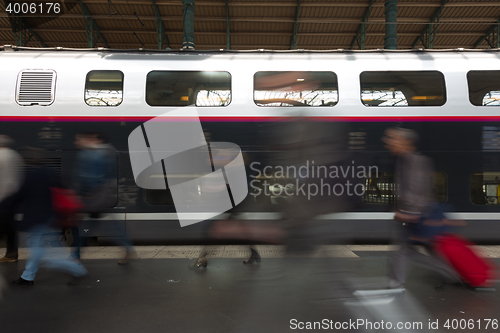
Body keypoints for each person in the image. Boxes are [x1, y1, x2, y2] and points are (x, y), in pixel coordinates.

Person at [383, 127, 461, 289]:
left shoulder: (416, 162)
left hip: (416, 216)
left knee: (407, 250)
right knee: (409, 250)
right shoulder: (403, 160)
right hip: (414, 215)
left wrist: (408, 214)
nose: (387, 141)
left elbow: (418, 191)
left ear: (407, 142)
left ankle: (396, 283)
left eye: (393, 138)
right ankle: (451, 275)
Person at [0, 148, 88, 286]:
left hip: (38, 218)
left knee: (43, 252)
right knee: (38, 248)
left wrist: (3, 206)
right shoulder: (50, 172)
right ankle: (27, 277)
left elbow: (18, 196)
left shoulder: (31, 175)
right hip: (50, 217)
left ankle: (77, 269)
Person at [71, 132, 135, 264]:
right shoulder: (110, 151)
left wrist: (80, 194)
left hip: (94, 198)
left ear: (90, 138)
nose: (76, 142)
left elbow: (88, 178)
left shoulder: (88, 154)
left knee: (84, 227)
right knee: (114, 226)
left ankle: (76, 255)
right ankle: (129, 249)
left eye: (79, 139)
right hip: (107, 197)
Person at [0, 135, 23, 263]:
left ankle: (11, 254)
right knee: (10, 228)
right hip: (13, 197)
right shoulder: (14, 154)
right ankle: (12, 253)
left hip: (3, 197)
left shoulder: (1, 155)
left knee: (7, 227)